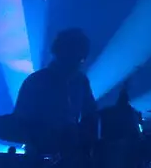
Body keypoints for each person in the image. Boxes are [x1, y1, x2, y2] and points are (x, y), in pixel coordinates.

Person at [11, 28, 99, 156]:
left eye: (80, 58)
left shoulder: (81, 81)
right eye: (73, 56)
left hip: (71, 155)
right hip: (39, 154)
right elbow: (21, 121)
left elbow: (90, 115)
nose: (78, 62)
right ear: (60, 53)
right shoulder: (36, 81)